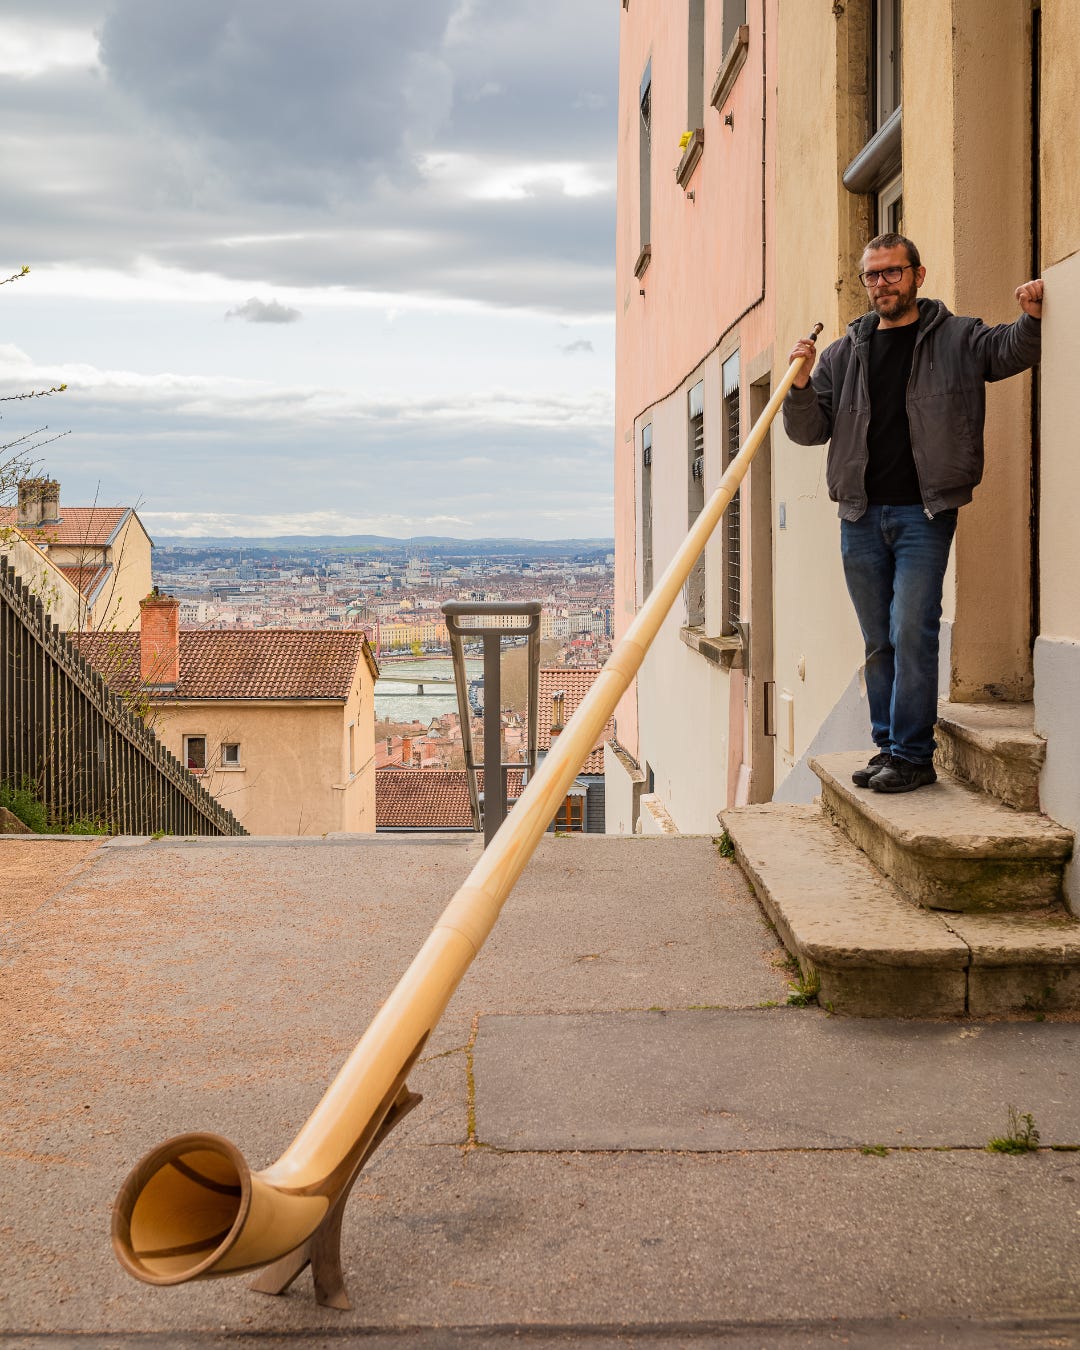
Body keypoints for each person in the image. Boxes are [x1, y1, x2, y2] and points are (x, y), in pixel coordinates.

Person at [783, 233, 1043, 793]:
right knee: (879, 640)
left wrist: (1033, 314)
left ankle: (914, 755)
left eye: (891, 273)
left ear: (917, 276)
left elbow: (1012, 350)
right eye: (871, 276)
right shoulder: (844, 351)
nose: (881, 285)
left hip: (923, 514)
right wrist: (799, 384)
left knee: (913, 629)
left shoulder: (957, 336)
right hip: (858, 515)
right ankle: (888, 748)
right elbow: (808, 431)